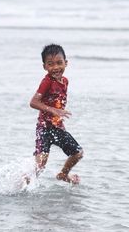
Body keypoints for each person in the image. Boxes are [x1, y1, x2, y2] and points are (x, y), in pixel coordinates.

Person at [29, 44, 83, 184]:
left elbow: (58, 102)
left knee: (77, 153)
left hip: (57, 128)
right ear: (44, 67)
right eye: (50, 64)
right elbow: (33, 102)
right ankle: (22, 183)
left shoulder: (65, 81)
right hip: (44, 128)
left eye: (59, 63)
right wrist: (54, 110)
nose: (55, 67)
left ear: (66, 63)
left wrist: (58, 119)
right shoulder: (47, 82)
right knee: (40, 165)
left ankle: (63, 174)